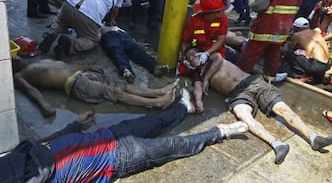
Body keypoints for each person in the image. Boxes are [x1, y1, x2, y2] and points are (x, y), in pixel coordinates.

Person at [0, 94, 248, 182]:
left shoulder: (24, 154)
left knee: (155, 121)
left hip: (109, 135)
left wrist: (76, 123)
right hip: (119, 157)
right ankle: (220, 132)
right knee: (176, 145)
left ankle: (184, 108)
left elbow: (50, 139)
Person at [184, 46, 332, 164]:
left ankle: (313, 137)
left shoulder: (213, 57)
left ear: (202, 53)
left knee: (282, 109)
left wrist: (207, 79)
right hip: (237, 95)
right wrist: (198, 101)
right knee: (244, 118)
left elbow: (217, 62)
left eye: (194, 54)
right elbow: (197, 88)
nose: (192, 58)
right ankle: (277, 144)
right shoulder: (198, 75)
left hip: (253, 83)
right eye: (189, 57)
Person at [11, 58, 178, 117]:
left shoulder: (36, 61)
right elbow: (31, 91)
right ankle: (158, 103)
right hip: (75, 84)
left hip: (82, 75)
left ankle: (159, 92)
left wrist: (88, 67)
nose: (15, 57)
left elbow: (67, 65)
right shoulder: (20, 76)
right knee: (117, 93)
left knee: (123, 85)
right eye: (11, 59)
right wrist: (44, 106)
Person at [238, 0, 303, 83]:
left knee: (250, 55)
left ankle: (238, 80)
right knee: (273, 55)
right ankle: (269, 81)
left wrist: (251, 0)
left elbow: (260, 5)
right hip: (282, 30)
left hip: (265, 28)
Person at [38, 0, 126, 58]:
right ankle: (71, 45)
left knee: (60, 22)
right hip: (89, 13)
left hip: (70, 2)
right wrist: (111, 21)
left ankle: (51, 33)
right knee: (93, 39)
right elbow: (115, 10)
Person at [100, 22, 168, 83]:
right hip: (107, 34)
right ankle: (126, 71)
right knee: (116, 51)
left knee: (135, 50)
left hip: (119, 32)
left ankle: (154, 67)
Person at [280, 17, 330, 83]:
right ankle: (320, 76)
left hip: (314, 65)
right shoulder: (316, 33)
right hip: (326, 65)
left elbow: (289, 48)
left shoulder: (297, 35)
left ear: (296, 28)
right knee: (301, 53)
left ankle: (300, 76)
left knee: (289, 53)